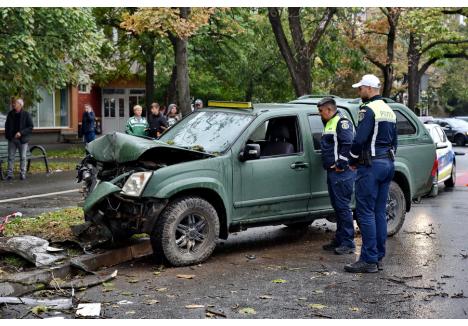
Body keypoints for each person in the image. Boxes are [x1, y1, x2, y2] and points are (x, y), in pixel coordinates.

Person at [345, 74, 397, 273]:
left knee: (364, 212)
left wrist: (351, 160)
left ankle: (368, 259)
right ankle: (378, 257)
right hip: (387, 163)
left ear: (368, 88)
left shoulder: (368, 109)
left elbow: (359, 140)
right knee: (379, 212)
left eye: (360, 89)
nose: (359, 92)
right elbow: (395, 142)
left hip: (371, 167)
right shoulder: (389, 110)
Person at [318, 97, 356, 255]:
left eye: (321, 111)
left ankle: (348, 243)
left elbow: (348, 143)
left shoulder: (342, 122)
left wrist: (341, 164)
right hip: (333, 172)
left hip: (341, 173)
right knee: (338, 208)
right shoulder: (329, 122)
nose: (319, 114)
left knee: (342, 207)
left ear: (329, 110)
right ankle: (340, 240)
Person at [4, 98, 34, 180]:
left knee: (23, 157)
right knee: (10, 157)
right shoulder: (10, 114)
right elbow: (6, 126)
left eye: (16, 103)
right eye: (14, 103)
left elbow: (30, 127)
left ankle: (22, 173)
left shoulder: (26, 114)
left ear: (20, 105)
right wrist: (9, 136)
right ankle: (10, 174)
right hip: (12, 139)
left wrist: (21, 133)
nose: (14, 104)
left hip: (22, 140)